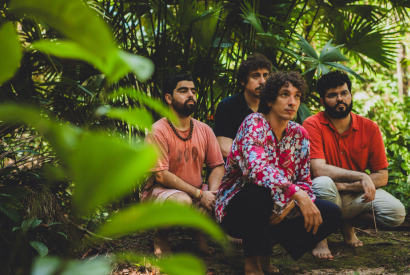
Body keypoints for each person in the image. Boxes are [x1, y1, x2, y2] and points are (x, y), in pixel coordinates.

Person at [215, 71, 342, 275]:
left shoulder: (299, 133)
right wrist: (296, 194)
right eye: (285, 94)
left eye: (297, 95)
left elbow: (304, 180)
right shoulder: (254, 122)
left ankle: (264, 253)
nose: (292, 102)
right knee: (259, 192)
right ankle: (252, 264)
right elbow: (257, 170)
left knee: (331, 213)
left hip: (280, 205)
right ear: (270, 99)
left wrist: (292, 202)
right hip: (237, 208)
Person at [303, 71, 406, 259]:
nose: (339, 99)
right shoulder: (312, 124)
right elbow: (318, 169)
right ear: (322, 100)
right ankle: (321, 238)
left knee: (396, 212)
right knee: (322, 182)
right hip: (326, 195)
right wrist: (362, 176)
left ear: (351, 95)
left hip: (354, 196)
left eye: (344, 93)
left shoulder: (369, 127)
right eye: (332, 95)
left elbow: (382, 176)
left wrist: (347, 185)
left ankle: (346, 224)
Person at [141, 74, 225, 257]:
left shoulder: (204, 129)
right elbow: (161, 175)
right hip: (161, 194)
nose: (191, 95)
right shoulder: (158, 131)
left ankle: (196, 230)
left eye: (193, 91)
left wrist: (212, 194)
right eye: (183, 90)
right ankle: (161, 236)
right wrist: (199, 194)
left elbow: (218, 166)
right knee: (182, 201)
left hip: (197, 191)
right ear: (168, 98)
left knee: (229, 191)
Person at [214, 53, 272, 159]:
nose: (262, 81)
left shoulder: (271, 107)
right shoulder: (227, 106)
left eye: (265, 75)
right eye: (256, 76)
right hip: (236, 169)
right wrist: (256, 161)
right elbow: (225, 149)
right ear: (243, 81)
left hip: (265, 168)